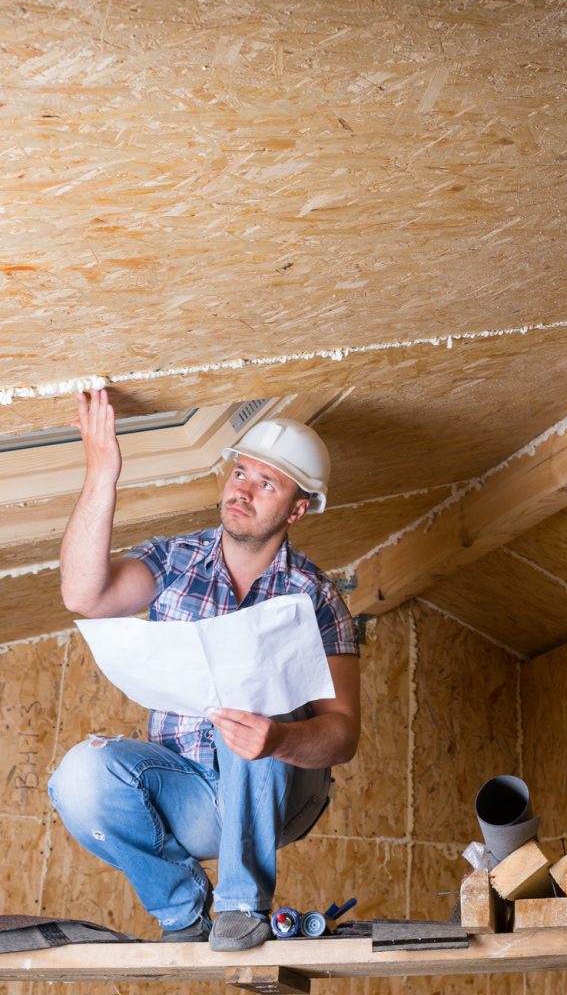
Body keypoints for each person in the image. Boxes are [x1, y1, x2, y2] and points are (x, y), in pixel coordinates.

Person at [48, 389, 360, 951]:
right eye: (241, 472)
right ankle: (183, 912)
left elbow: (342, 734)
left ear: (296, 509)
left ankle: (243, 908)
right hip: (191, 791)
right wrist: (102, 474)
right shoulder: (175, 560)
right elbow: (82, 594)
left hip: (281, 793)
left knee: (255, 680)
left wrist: (281, 739)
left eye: (267, 484)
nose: (242, 489)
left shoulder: (316, 600)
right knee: (80, 775)